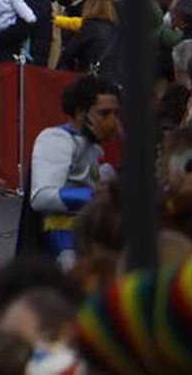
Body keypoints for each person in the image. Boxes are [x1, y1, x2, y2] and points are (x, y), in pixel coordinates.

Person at [20, 73, 120, 266]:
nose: (112, 121)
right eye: (104, 113)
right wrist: (94, 195)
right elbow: (42, 196)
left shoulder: (91, 145)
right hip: (62, 243)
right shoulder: (57, 139)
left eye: (115, 113)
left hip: (90, 239)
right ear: (81, 112)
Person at [56, 0, 119, 74]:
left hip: (90, 74)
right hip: (111, 75)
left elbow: (70, 50)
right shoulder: (114, 29)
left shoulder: (90, 27)